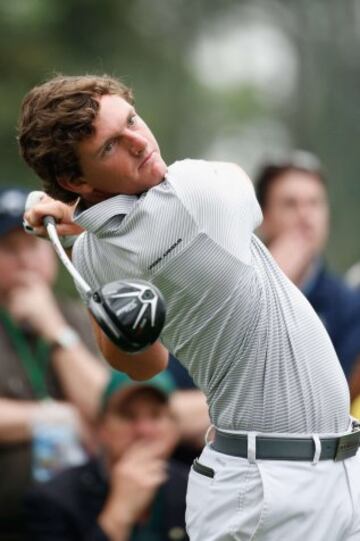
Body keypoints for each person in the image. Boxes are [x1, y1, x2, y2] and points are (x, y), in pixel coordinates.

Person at [19, 75, 360, 541]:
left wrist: (79, 222)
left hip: (325, 473)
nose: (140, 142)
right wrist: (77, 222)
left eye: (133, 120)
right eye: (111, 146)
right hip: (267, 490)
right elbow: (145, 361)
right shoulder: (194, 190)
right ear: (75, 180)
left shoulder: (94, 255)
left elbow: (141, 359)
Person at [0, 187, 109, 541]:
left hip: (80, 519)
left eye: (34, 245)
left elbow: (107, 407)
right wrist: (51, 417)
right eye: (10, 249)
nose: (26, 260)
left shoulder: (79, 317)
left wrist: (55, 331)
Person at [25, 370, 189, 541]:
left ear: (174, 427)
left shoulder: (193, 489)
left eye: (156, 415)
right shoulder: (53, 499)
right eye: (128, 416)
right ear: (102, 428)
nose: (144, 430)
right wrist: (118, 516)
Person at [254, 152, 360, 398]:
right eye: (290, 204)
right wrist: (273, 284)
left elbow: (327, 398)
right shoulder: (226, 291)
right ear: (263, 218)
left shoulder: (347, 305)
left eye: (315, 203)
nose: (305, 216)